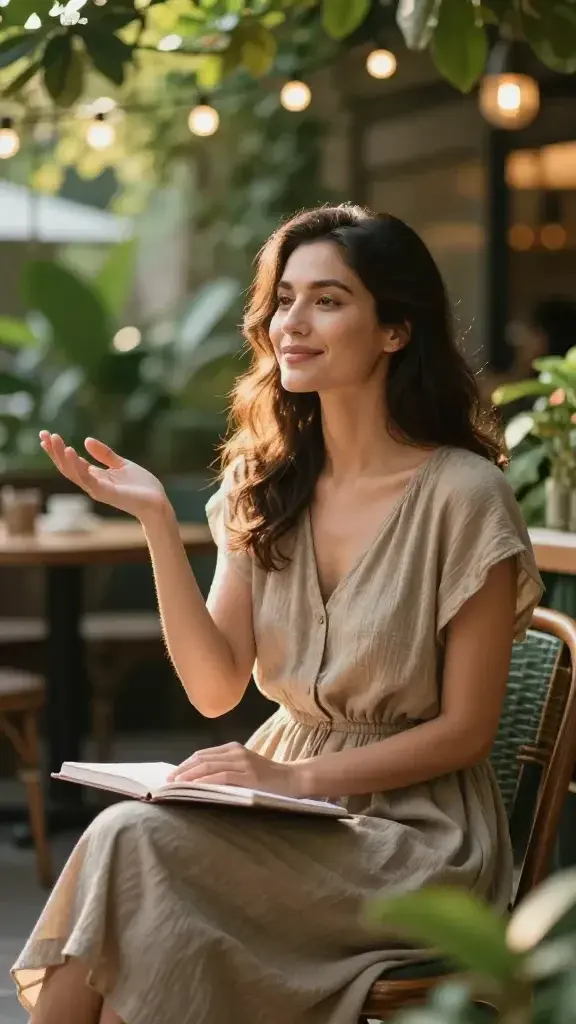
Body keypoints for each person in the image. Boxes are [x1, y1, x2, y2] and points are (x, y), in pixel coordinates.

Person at [13, 205, 543, 1024]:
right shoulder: (265, 484)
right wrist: (158, 523)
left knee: (131, 846)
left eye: (327, 301)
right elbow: (215, 687)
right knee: (139, 876)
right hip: (281, 811)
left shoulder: (465, 497)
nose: (291, 322)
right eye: (284, 299)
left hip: (415, 838)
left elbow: (467, 732)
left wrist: (292, 779)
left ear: (395, 330)